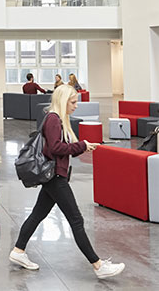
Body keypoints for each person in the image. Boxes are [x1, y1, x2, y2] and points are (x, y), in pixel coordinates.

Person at [10, 85, 125, 280]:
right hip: (55, 177)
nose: (76, 105)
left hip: (53, 176)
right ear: (63, 101)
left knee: (38, 214)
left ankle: (18, 251)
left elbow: (60, 147)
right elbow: (55, 147)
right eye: (73, 102)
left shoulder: (54, 118)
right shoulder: (54, 119)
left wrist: (83, 147)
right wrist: (81, 145)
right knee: (76, 220)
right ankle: (98, 266)